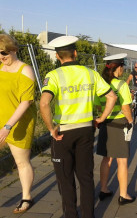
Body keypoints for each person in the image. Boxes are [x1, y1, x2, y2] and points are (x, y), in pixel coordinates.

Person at [39, 36, 117, 218]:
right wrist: (101, 118)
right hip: (86, 130)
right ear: (75, 53)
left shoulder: (53, 76)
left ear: (58, 57)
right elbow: (111, 97)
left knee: (65, 180)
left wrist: (51, 129)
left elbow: (44, 104)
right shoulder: (90, 73)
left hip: (63, 133)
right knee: (86, 177)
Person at [0, 34, 36, 213]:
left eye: (3, 53)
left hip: (19, 121)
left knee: (21, 162)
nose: (1, 57)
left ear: (13, 49)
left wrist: (7, 126)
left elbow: (26, 102)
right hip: (1, 118)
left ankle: (26, 197)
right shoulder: (0, 68)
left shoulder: (25, 70)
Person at [96, 53, 136, 205]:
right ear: (118, 68)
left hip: (105, 123)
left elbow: (98, 104)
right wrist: (131, 122)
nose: (123, 70)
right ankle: (124, 195)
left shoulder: (100, 84)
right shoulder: (121, 85)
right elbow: (126, 107)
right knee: (122, 161)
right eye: (122, 67)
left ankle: (104, 189)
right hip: (119, 124)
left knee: (107, 158)